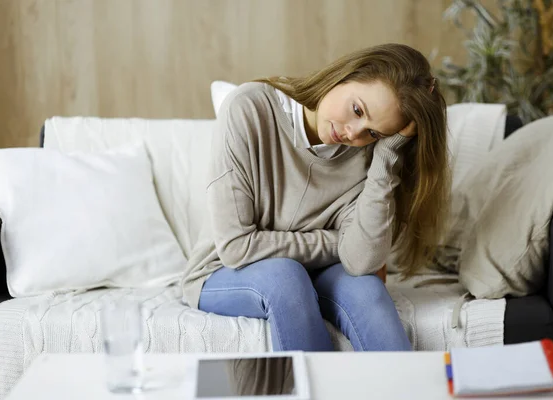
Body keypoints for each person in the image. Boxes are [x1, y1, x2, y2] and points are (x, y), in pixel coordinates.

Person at [181, 43, 450, 352]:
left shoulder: (365, 156)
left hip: (319, 272)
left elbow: (360, 261)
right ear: (346, 75)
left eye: (374, 133)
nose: (354, 133)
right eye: (358, 110)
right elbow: (235, 247)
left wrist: (386, 157)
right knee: (286, 277)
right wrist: (339, 242)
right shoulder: (249, 108)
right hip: (222, 271)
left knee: (367, 291)